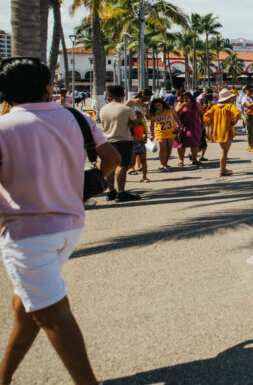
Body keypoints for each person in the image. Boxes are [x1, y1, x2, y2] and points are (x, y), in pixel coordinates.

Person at [0, 57, 118, 385]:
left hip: (27, 232)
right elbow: (112, 159)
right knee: (27, 309)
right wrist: (82, 187)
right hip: (70, 225)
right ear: (47, 86)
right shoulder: (76, 117)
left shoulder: (4, 127)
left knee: (52, 315)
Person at [98, 85, 142, 202]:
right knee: (122, 166)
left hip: (107, 140)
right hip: (123, 140)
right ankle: (121, 192)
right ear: (123, 96)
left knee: (110, 167)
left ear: (109, 96)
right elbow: (135, 124)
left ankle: (111, 192)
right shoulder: (127, 109)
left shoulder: (103, 109)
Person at [203, 89, 241, 177]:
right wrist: (235, 121)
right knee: (224, 152)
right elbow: (238, 113)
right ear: (228, 99)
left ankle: (224, 169)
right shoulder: (229, 106)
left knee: (223, 151)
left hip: (218, 131)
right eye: (231, 97)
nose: (232, 99)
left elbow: (206, 115)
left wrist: (209, 122)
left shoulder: (215, 107)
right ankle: (222, 170)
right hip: (227, 131)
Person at [126, 89, 153, 181]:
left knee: (140, 149)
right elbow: (123, 112)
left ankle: (138, 166)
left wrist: (158, 111)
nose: (149, 97)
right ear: (141, 94)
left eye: (150, 96)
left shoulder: (145, 106)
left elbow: (148, 117)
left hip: (142, 128)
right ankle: (131, 167)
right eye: (147, 95)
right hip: (130, 128)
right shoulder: (131, 102)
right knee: (131, 150)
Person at [148, 98, 181, 171]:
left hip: (171, 131)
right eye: (156, 106)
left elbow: (177, 118)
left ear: (162, 104)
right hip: (161, 132)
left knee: (169, 147)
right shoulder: (154, 113)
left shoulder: (170, 109)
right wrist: (151, 134)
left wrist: (179, 127)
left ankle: (166, 163)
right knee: (163, 148)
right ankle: (161, 164)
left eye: (159, 105)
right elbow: (151, 124)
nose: (158, 107)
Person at [173, 92, 204, 166]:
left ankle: (194, 160)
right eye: (183, 98)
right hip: (183, 126)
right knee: (181, 144)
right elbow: (175, 114)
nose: (184, 99)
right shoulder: (180, 104)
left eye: (186, 98)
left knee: (194, 144)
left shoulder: (196, 104)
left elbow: (202, 114)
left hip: (195, 126)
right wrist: (182, 106)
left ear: (190, 98)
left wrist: (203, 124)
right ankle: (181, 160)